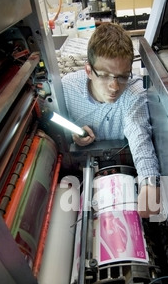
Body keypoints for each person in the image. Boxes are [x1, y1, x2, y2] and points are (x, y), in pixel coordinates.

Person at [61, 22, 160, 218]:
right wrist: (72, 134)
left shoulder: (133, 94)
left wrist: (150, 182)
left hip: (125, 171)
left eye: (122, 77)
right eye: (105, 76)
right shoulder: (67, 90)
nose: (114, 87)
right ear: (88, 71)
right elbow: (55, 125)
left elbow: (139, 134)